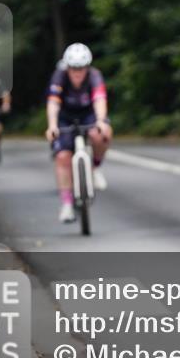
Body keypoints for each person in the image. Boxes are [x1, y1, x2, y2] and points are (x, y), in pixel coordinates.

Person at [45, 43, 112, 223]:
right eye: (73, 68)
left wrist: (100, 121)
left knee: (102, 133)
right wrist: (52, 125)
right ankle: (66, 204)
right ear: (67, 67)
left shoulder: (95, 76)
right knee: (62, 157)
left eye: (81, 68)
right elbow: (53, 103)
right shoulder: (59, 76)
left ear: (87, 67)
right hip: (65, 117)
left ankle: (96, 166)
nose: (77, 72)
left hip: (89, 114)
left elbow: (99, 99)